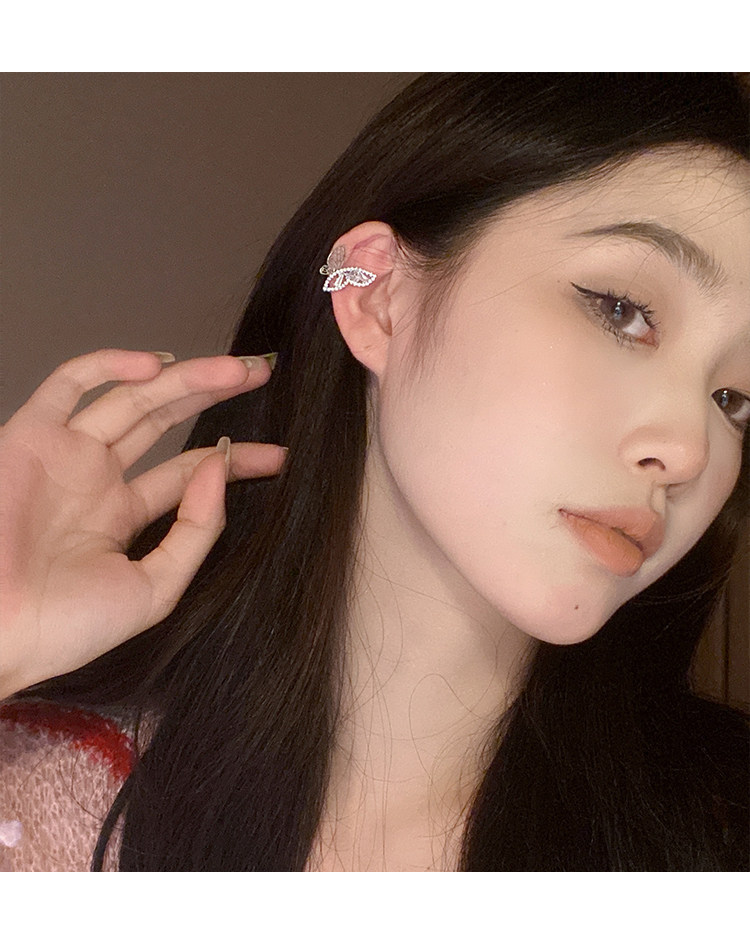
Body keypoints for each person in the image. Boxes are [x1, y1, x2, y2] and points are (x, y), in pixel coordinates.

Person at [0, 73, 748, 872]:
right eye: (622, 310)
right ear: (378, 296)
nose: (691, 450)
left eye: (736, 399)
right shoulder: (36, 802)